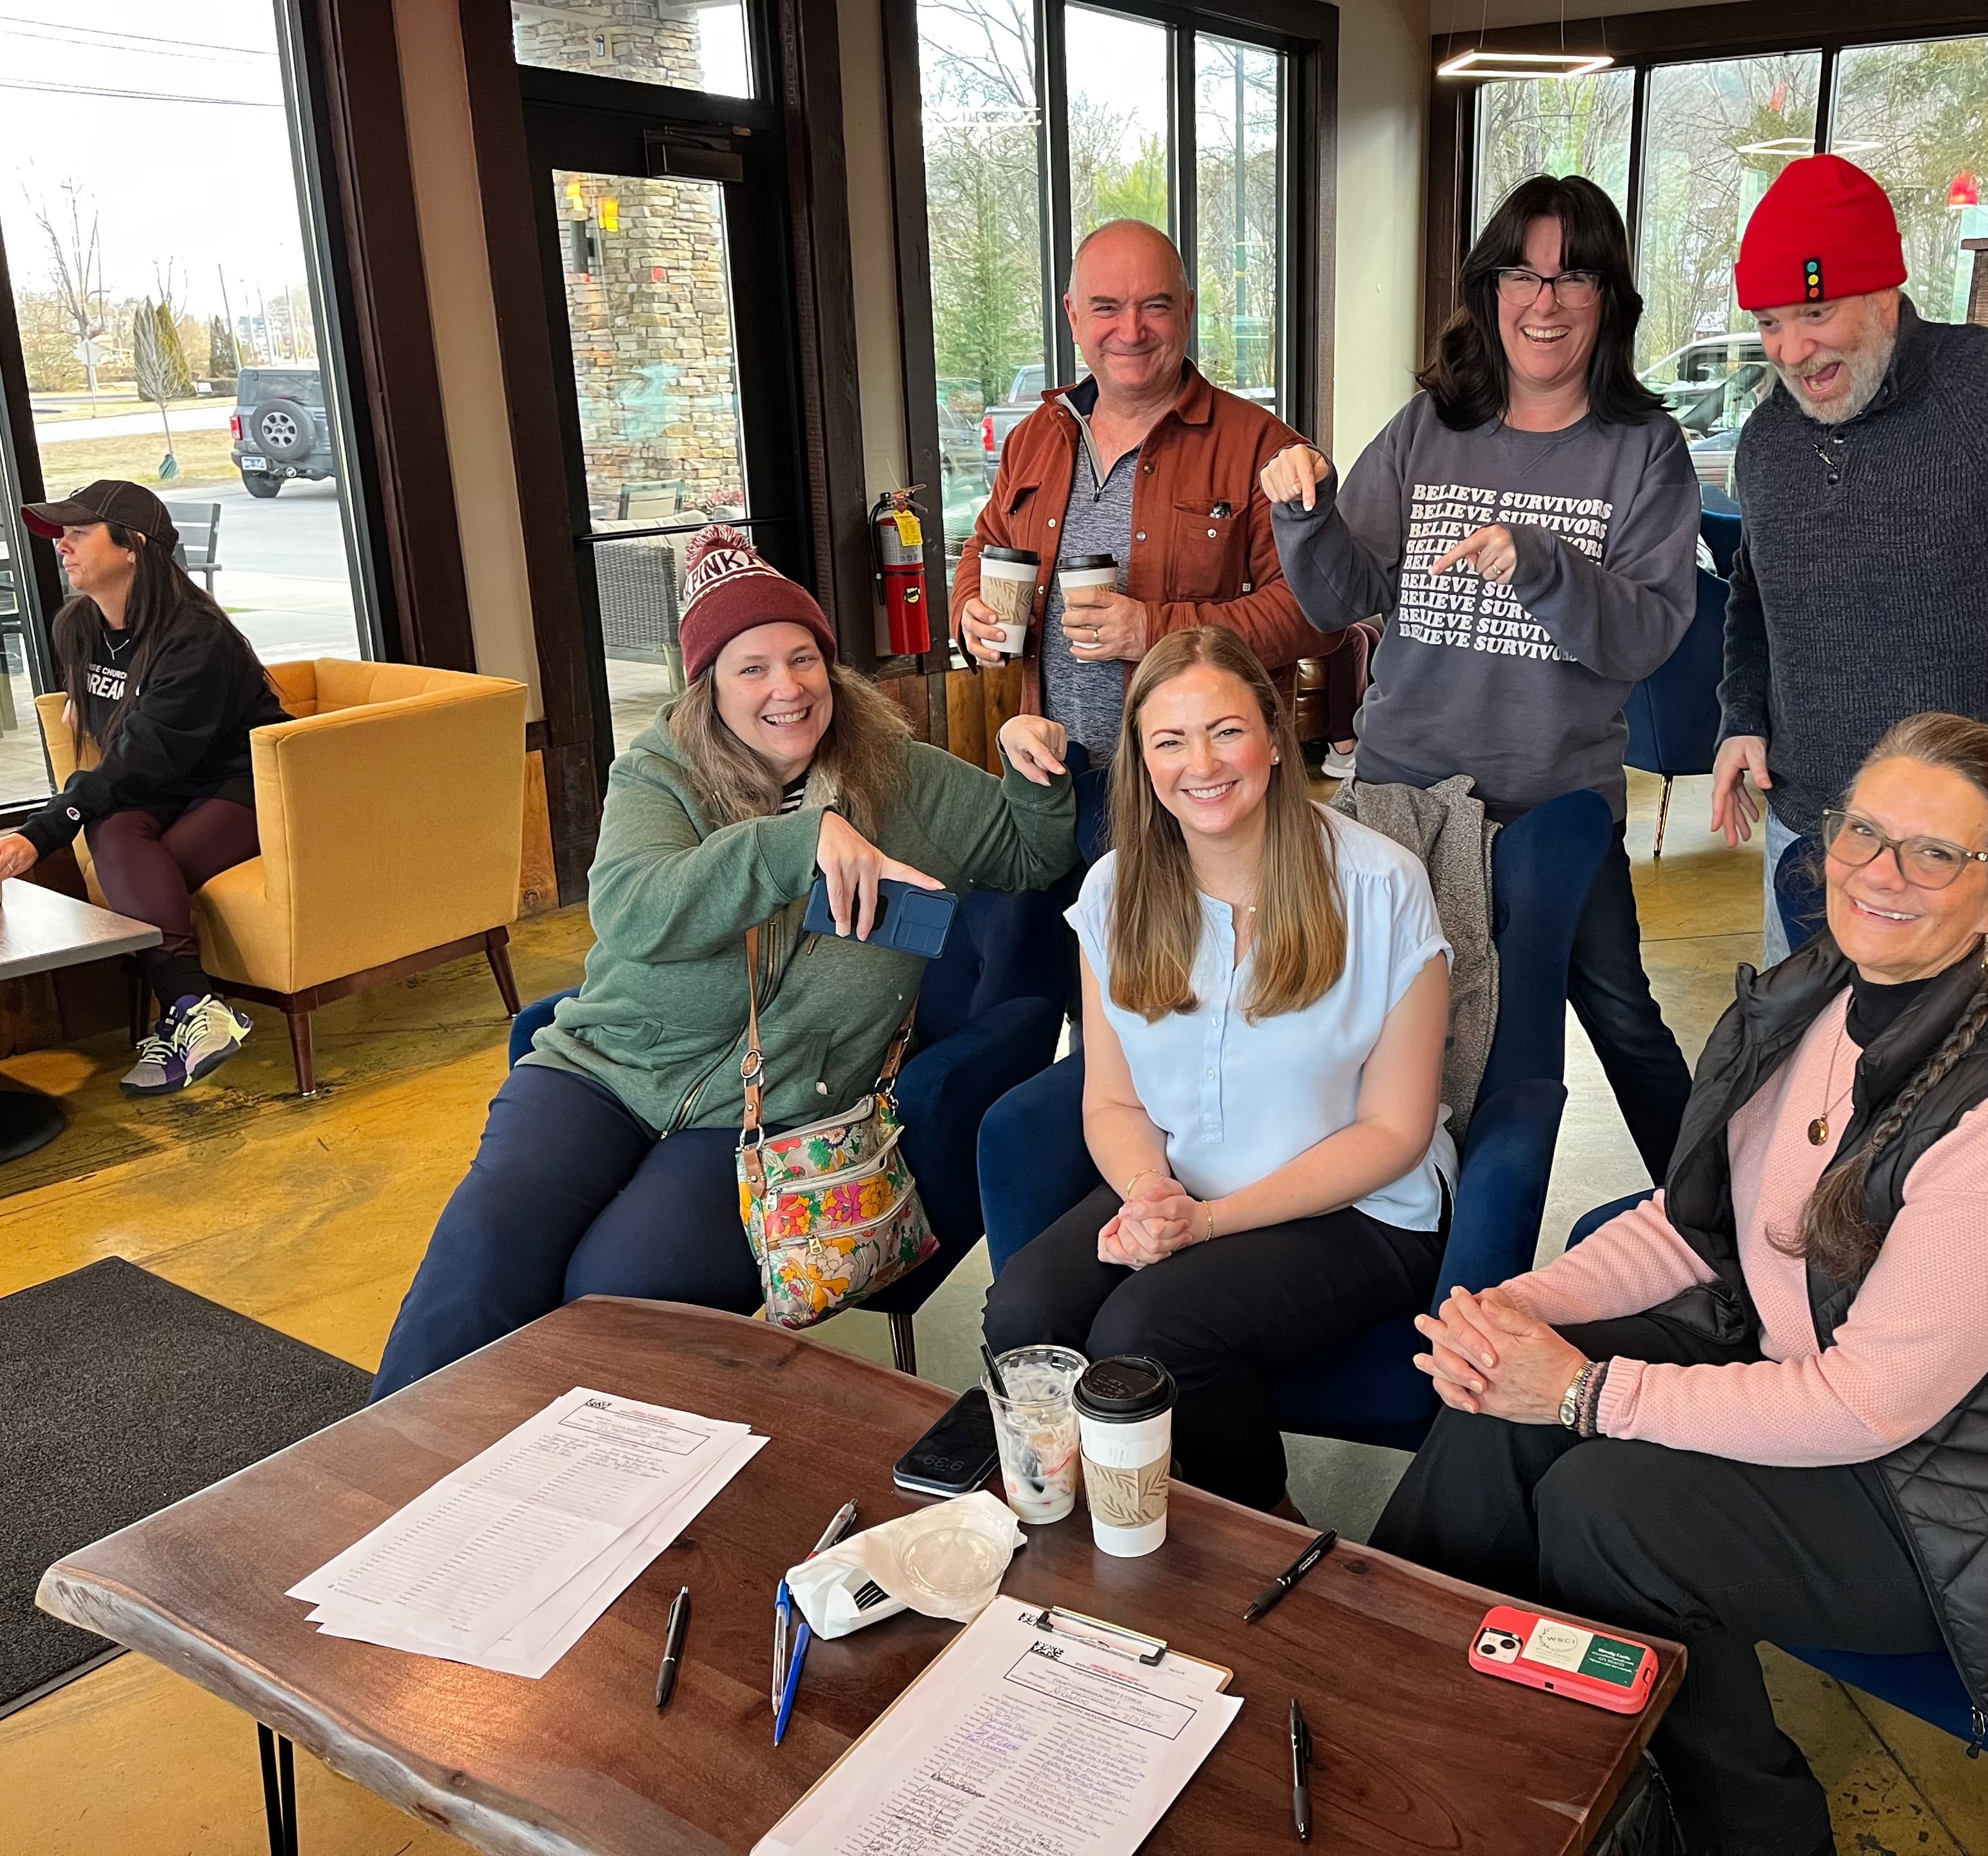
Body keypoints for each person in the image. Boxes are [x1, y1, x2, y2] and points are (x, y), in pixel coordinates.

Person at [1374, 713, 1988, 1856]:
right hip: (1806, 1378)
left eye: (1935, 854)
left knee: (1612, 1515)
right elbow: (1696, 1229)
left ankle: (1751, 1833)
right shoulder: (1817, 996)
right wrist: (1529, 1315)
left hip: (1958, 1490)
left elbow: (1870, 1406)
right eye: (1864, 833)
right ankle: (1399, 1698)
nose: (1882, 875)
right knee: (1495, 1413)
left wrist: (1584, 1394)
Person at [372, 528, 1078, 1398]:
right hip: (601, 1073)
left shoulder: (905, 779)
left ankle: (569, 1504)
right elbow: (633, 909)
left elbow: (1029, 856)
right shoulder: (661, 773)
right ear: (708, 686)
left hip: (765, 1120)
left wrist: (1032, 764)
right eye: (752, 668)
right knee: (482, 1260)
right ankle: (390, 1497)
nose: (786, 688)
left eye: (803, 660)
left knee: (616, 1298)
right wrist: (795, 843)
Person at [1260, 173, 1701, 1178]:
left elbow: (1645, 636)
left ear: (1609, 299)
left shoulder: (1644, 452)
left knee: (1623, 1020)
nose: (1544, 302)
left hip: (1555, 807)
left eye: (1573, 277)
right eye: (1522, 273)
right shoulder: (1430, 429)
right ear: (1489, 288)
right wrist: (1301, 512)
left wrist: (1544, 565)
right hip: (1402, 795)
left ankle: (1709, 1225)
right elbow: (1340, 597)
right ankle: (1401, 1219)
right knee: (1388, 1027)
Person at [981, 625, 1452, 1513]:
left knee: (1148, 1328)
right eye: (1170, 740)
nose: (1202, 762)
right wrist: (1153, 1196)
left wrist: (1206, 1225)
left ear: (1275, 737)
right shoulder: (1115, 894)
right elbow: (1114, 1099)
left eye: (1226, 730)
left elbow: (1397, 1131)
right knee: (1024, 1315)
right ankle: (1089, 1526)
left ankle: (1262, 1537)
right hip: (1182, 1186)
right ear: (1143, 762)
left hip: (1357, 1211)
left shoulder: (1381, 887)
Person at [1708, 154, 1988, 967]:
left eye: (1815, 311)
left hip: (1966, 842)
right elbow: (1752, 601)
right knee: (1803, 1061)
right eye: (1770, 322)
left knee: (1962, 1068)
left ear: (1883, 295)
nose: (1793, 348)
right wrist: (1743, 719)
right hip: (1808, 825)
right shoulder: (1768, 437)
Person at [952, 218, 1330, 761]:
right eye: (1106, 307)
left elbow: (1315, 616)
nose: (1130, 331)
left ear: (1188, 311)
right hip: (1063, 773)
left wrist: (1155, 629)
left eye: (1154, 306)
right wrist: (969, 607)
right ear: (1073, 316)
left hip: (1205, 786)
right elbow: (985, 542)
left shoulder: (1262, 448)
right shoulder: (1036, 435)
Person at [0, 481, 288, 1096]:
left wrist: (43, 832)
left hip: (244, 780)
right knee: (114, 834)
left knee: (147, 876)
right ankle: (196, 1011)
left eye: (79, 535)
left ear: (132, 546)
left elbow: (140, 757)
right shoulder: (79, 627)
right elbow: (116, 738)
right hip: (168, 781)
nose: (63, 548)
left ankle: (186, 1007)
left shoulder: (197, 638)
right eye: (62, 536)